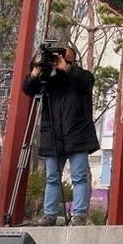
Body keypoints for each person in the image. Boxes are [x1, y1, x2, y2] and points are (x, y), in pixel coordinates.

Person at [22, 44, 99, 226]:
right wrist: (37, 69)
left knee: (79, 176)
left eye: (63, 55)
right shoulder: (50, 81)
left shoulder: (83, 76)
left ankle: (79, 214)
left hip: (77, 134)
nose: (59, 59)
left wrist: (68, 68)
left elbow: (85, 82)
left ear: (72, 58)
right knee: (52, 177)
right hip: (53, 135)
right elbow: (28, 89)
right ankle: (49, 214)